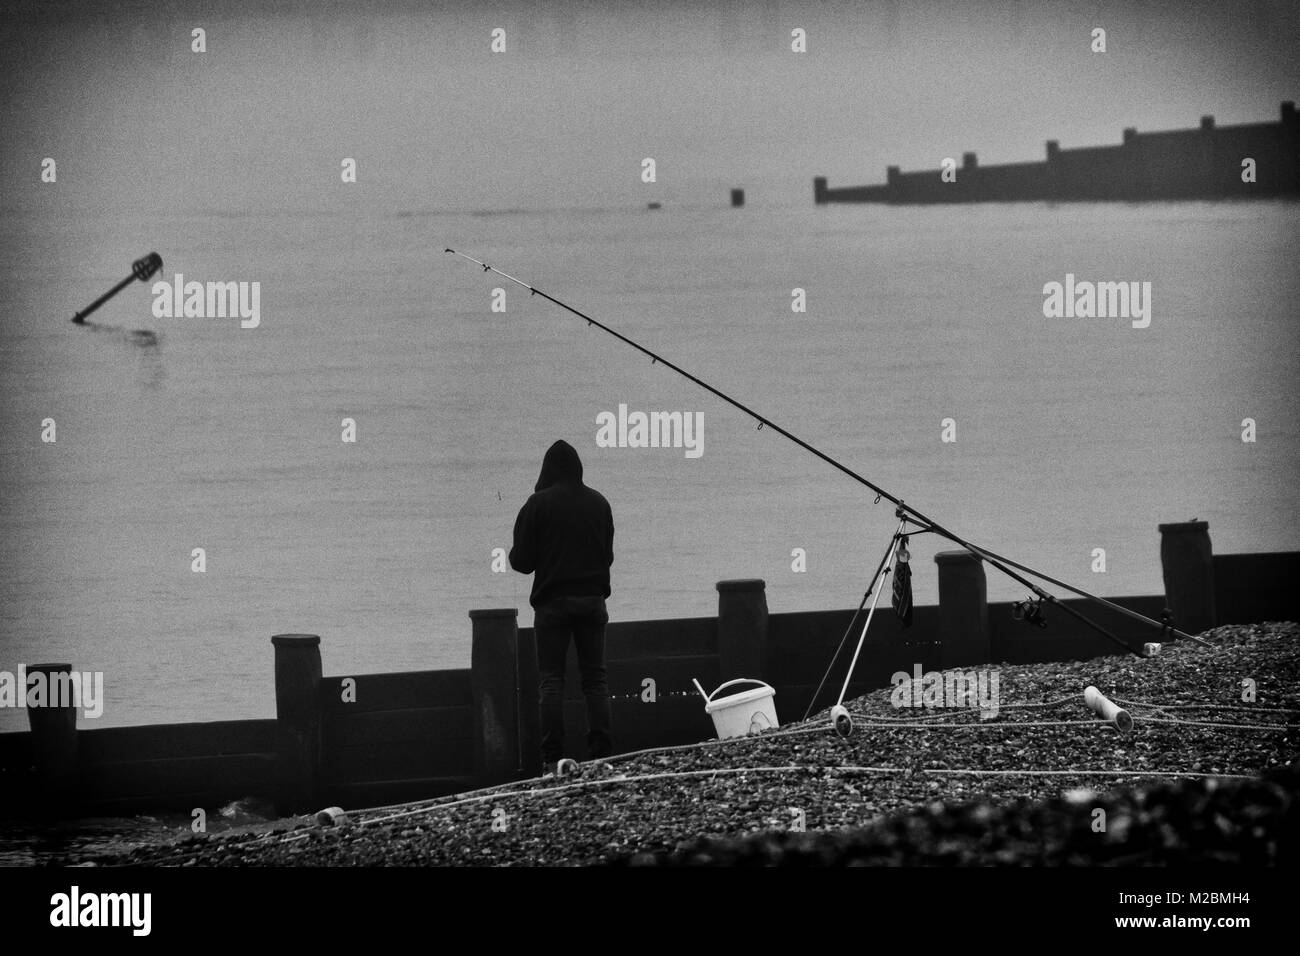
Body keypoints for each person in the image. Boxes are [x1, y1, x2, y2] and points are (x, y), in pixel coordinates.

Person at [509, 440, 615, 775]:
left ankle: (551, 760)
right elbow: (607, 556)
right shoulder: (599, 503)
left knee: (551, 680)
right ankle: (601, 756)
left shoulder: (537, 504)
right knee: (594, 679)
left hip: (552, 605)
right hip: (592, 602)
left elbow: (522, 562)